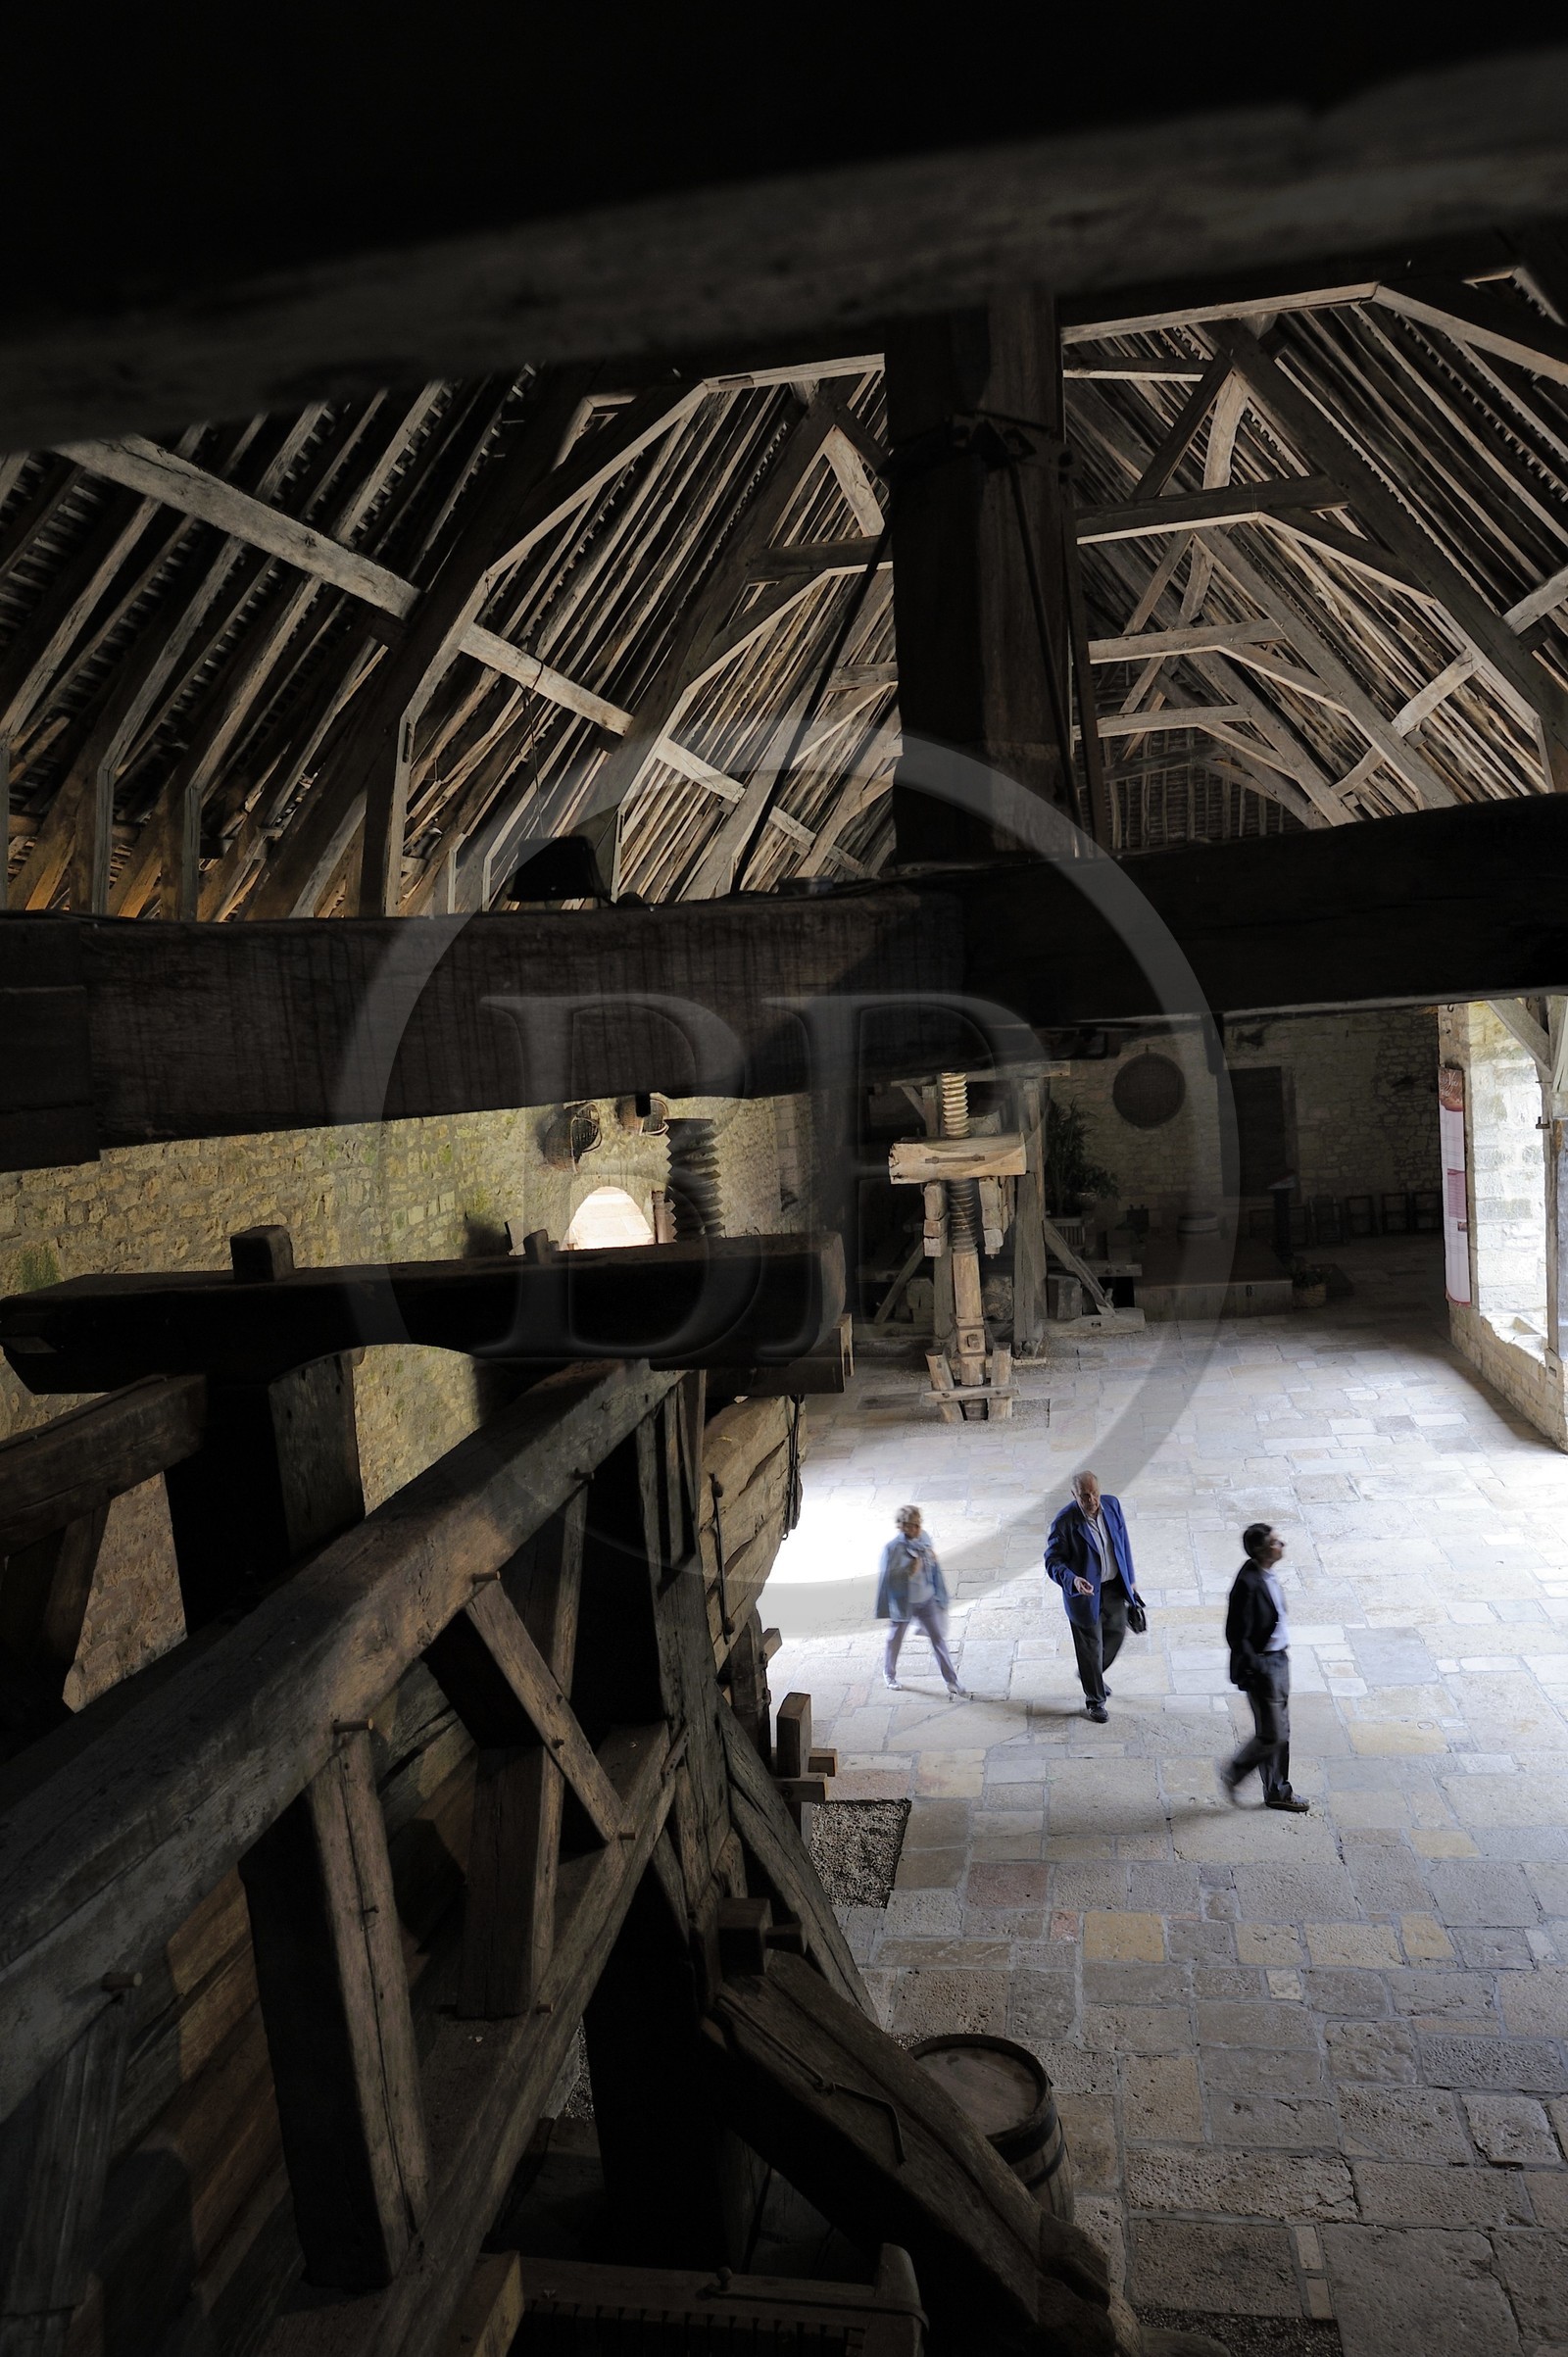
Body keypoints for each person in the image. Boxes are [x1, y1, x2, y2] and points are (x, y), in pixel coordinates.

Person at [1220, 1523, 1308, 1812]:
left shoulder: (1265, 1573)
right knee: (1273, 1734)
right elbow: (1236, 1634)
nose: (1280, 1543)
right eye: (1274, 1541)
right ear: (1260, 1550)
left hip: (1278, 1660)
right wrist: (1257, 1667)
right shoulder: (1247, 1583)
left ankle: (1277, 1791)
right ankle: (1235, 1771)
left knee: (1280, 1731)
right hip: (1264, 1667)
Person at [1045, 1470, 1142, 1724]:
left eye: (1095, 1493)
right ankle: (1095, 1700)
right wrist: (1073, 1580)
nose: (1092, 1500)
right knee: (1090, 1646)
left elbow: (1123, 1542)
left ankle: (1092, 1674)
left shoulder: (1112, 1505)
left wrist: (1130, 1578)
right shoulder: (1064, 1522)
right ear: (1074, 1495)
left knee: (1117, 1633)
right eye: (1085, 1496)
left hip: (1112, 1587)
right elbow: (1052, 1561)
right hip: (1083, 1595)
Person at [876, 1506, 967, 1698]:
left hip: (926, 1599)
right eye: (913, 1526)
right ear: (903, 1527)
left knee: (938, 1638)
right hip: (905, 1602)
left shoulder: (924, 1539)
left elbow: (931, 1567)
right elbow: (888, 1579)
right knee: (895, 1638)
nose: (918, 1529)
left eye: (919, 1525)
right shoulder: (892, 1549)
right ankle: (889, 1673)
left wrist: (931, 1561)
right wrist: (908, 1570)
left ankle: (952, 1680)